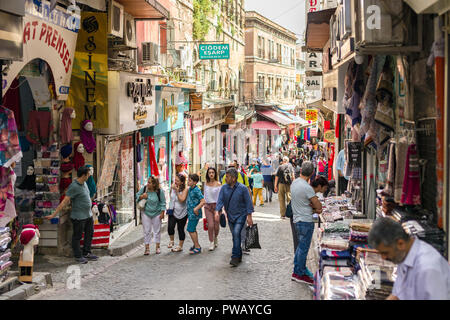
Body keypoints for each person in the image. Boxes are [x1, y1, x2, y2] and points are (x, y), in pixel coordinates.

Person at [368, 218, 450, 300]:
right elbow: (398, 295)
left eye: (385, 253)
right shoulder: (404, 256)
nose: (383, 258)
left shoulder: (428, 269)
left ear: (400, 243)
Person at [45, 166, 98, 264]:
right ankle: (78, 256)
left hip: (88, 215)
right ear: (83, 175)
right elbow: (65, 201)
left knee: (89, 234)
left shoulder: (84, 183)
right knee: (77, 236)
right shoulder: (73, 186)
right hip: (78, 216)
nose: (89, 175)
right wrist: (54, 214)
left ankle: (87, 252)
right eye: (87, 174)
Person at [290, 161, 322, 285]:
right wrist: (315, 208)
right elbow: (318, 206)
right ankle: (299, 272)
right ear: (312, 173)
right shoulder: (307, 188)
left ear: (301, 170)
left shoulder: (295, 183)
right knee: (303, 248)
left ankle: (297, 270)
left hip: (297, 219)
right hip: (306, 221)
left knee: (300, 247)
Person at [215, 168, 254, 267]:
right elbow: (220, 201)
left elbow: (248, 202)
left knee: (237, 233)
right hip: (230, 216)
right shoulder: (224, 188)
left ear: (233, 178)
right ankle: (239, 254)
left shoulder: (243, 188)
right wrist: (217, 212)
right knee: (235, 236)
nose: (225, 179)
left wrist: (249, 217)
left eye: (227, 177)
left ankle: (235, 257)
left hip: (241, 215)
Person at [136, 176, 166, 256]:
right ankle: (147, 248)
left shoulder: (160, 191)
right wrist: (142, 196)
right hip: (146, 212)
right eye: (148, 182)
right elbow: (136, 196)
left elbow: (163, 202)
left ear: (154, 184)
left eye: (149, 182)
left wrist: (162, 212)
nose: (147, 184)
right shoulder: (144, 189)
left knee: (157, 231)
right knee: (147, 231)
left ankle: (157, 247)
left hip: (157, 213)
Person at [167, 174, 188, 252]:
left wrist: (176, 190)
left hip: (183, 212)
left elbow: (182, 200)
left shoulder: (185, 189)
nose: (175, 182)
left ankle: (180, 246)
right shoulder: (172, 187)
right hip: (173, 211)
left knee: (180, 229)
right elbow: (171, 197)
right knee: (170, 227)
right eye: (175, 180)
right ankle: (171, 241)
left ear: (182, 182)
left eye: (177, 181)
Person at [186, 174, 205, 254]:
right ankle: (196, 244)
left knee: (190, 229)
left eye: (190, 180)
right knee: (193, 229)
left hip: (194, 213)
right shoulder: (190, 189)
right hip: (191, 213)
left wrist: (196, 208)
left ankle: (197, 246)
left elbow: (203, 201)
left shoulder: (196, 190)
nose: (188, 182)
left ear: (195, 182)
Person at [203, 167, 222, 251]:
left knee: (216, 225)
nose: (211, 174)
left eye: (213, 172)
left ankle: (215, 237)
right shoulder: (205, 183)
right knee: (210, 225)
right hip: (208, 206)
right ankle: (211, 242)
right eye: (209, 172)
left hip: (217, 207)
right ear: (207, 174)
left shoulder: (218, 184)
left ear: (215, 174)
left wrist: (221, 208)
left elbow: (221, 197)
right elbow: (205, 196)